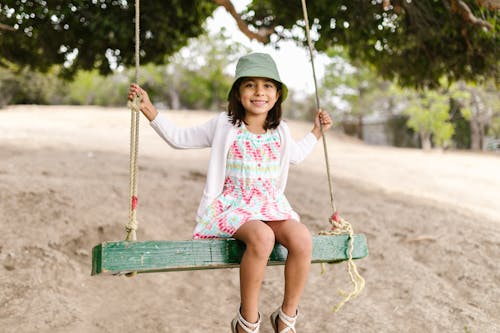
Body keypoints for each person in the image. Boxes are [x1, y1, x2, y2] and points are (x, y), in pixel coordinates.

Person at [128, 52, 332, 333]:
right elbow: (179, 138)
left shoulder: (281, 131)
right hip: (234, 207)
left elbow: (295, 155)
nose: (259, 92)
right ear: (238, 92)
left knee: (301, 237)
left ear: (277, 95)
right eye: (250, 85)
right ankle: (247, 321)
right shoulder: (224, 125)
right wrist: (149, 109)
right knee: (262, 237)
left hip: (271, 205)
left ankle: (286, 317)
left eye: (268, 86)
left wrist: (316, 132)